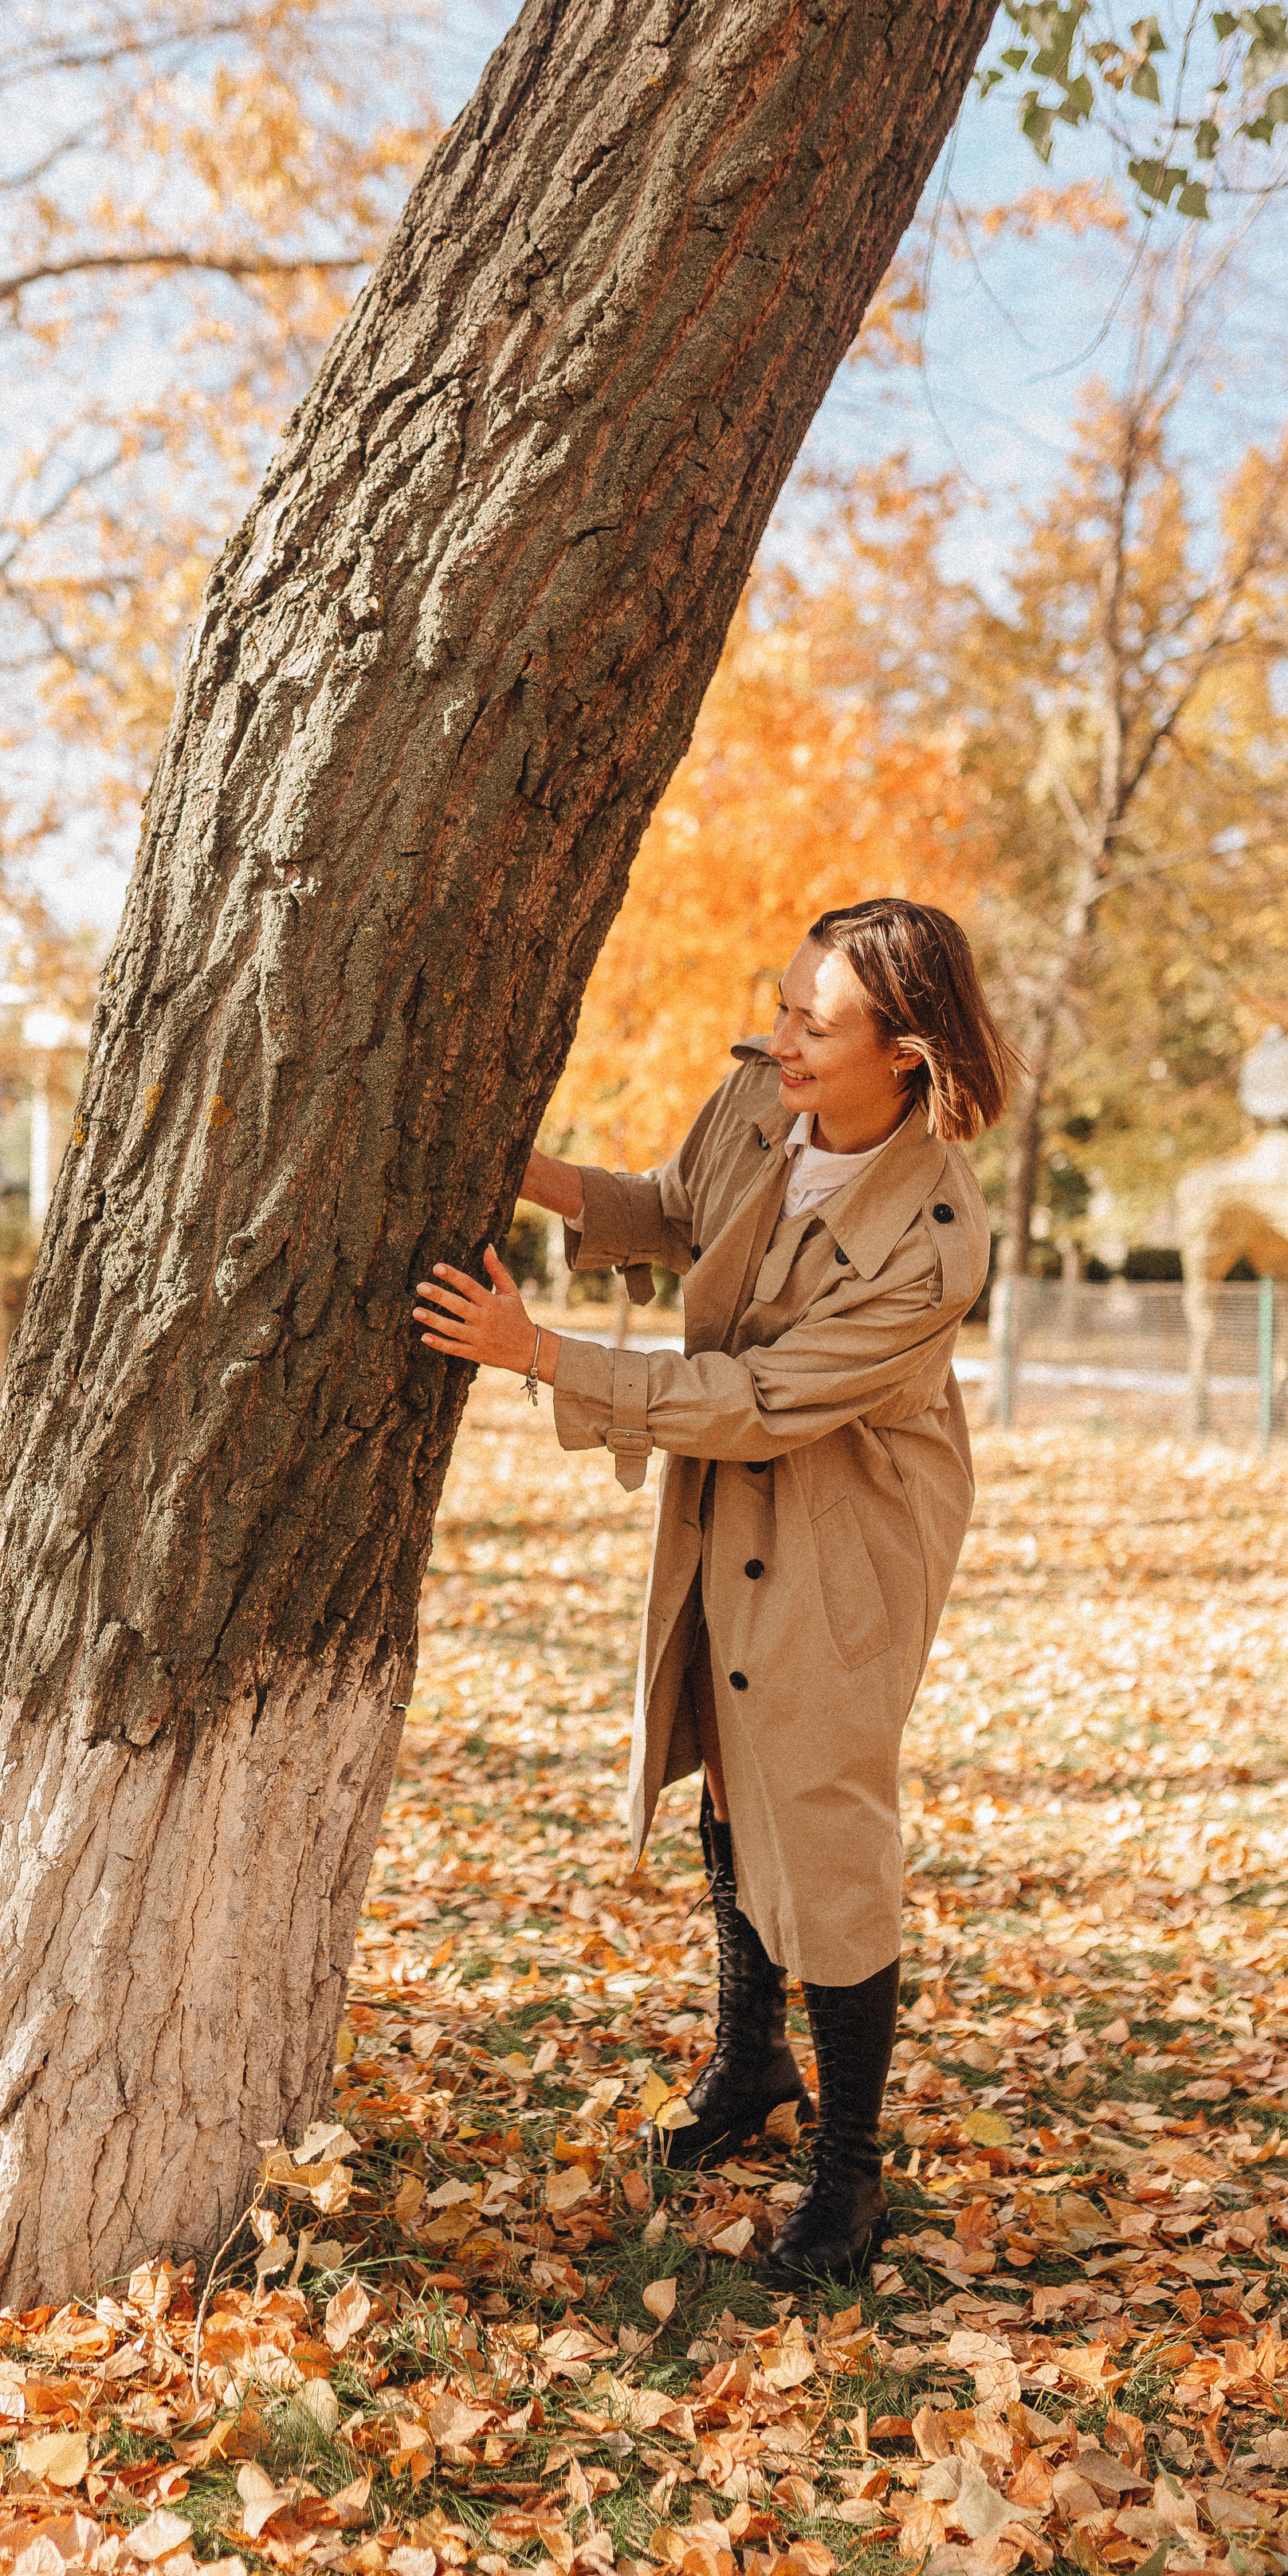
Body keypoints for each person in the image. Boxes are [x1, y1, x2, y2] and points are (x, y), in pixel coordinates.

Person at [414, 899, 1013, 2282]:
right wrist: (542, 1174)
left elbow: (756, 1396)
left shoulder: (929, 1239)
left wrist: (539, 1351)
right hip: (722, 1478)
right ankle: (751, 2066)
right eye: (787, 1000)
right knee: (731, 1767)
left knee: (823, 1808)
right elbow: (687, 1214)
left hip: (846, 1521)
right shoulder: (760, 1096)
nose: (783, 1036)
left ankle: (850, 2177)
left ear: (908, 1052)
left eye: (819, 1020)